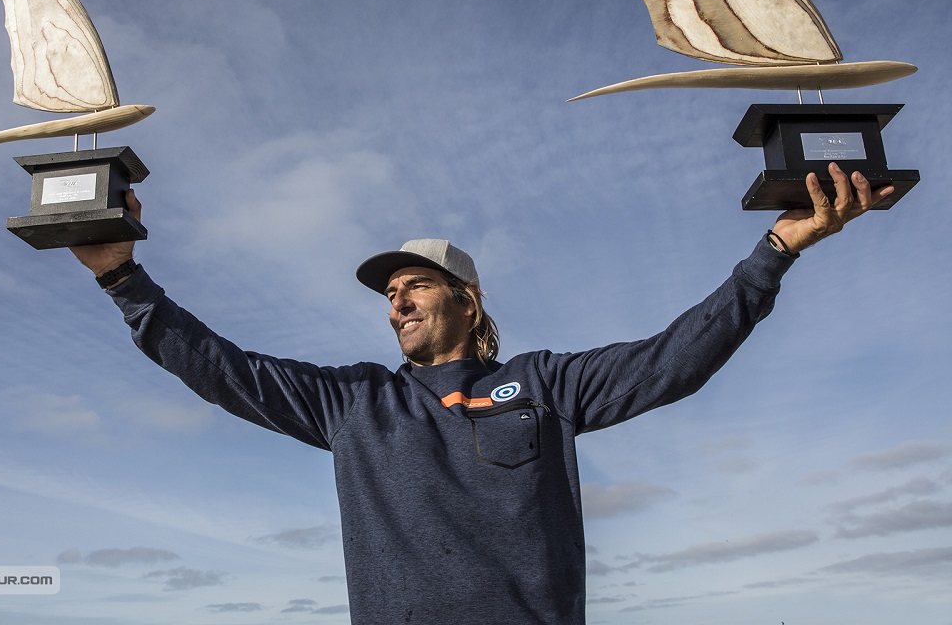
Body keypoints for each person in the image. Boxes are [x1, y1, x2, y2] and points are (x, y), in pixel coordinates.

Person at [70, 163, 891, 625]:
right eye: (389, 294)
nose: (396, 302)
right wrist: (120, 276)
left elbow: (675, 357)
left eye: (416, 285)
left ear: (468, 298)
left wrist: (776, 250)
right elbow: (223, 369)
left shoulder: (546, 386)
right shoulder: (353, 404)